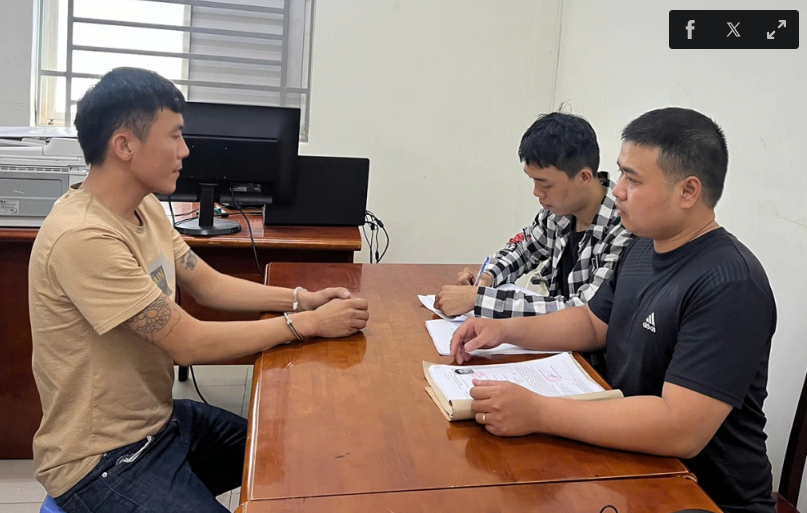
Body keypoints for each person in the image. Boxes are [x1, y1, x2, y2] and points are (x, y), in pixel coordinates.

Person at [28, 67, 369, 513]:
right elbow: (189, 343)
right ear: (125, 145)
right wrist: (307, 325)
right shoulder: (84, 236)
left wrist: (301, 299)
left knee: (295, 454)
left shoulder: (145, 208)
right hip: (102, 461)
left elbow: (207, 284)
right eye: (174, 136)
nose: (185, 151)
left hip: (160, 425)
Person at [450, 107, 775, 513]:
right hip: (626, 463)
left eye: (633, 180)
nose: (617, 190)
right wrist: (501, 330)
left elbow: (680, 428)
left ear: (688, 192)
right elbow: (592, 322)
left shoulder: (730, 283)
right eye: (620, 174)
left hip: (701, 496)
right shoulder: (642, 248)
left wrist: (540, 412)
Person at [433, 112, 634, 320]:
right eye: (533, 181)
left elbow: (584, 311)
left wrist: (480, 300)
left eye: (545, 184)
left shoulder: (624, 227)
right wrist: (487, 277)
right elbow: (523, 250)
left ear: (583, 177)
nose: (536, 192)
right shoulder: (558, 213)